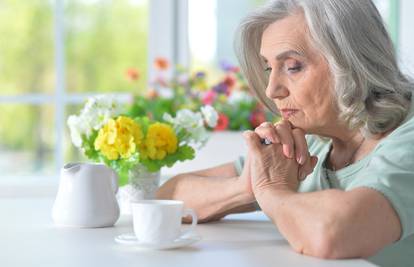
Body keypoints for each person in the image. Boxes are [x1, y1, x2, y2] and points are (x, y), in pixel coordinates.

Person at [156, 0, 414, 264]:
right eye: (269, 67)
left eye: (293, 67)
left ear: (353, 61)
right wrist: (246, 187)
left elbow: (333, 234)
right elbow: (168, 197)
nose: (271, 90)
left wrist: (271, 189)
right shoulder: (312, 140)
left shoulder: (408, 138)